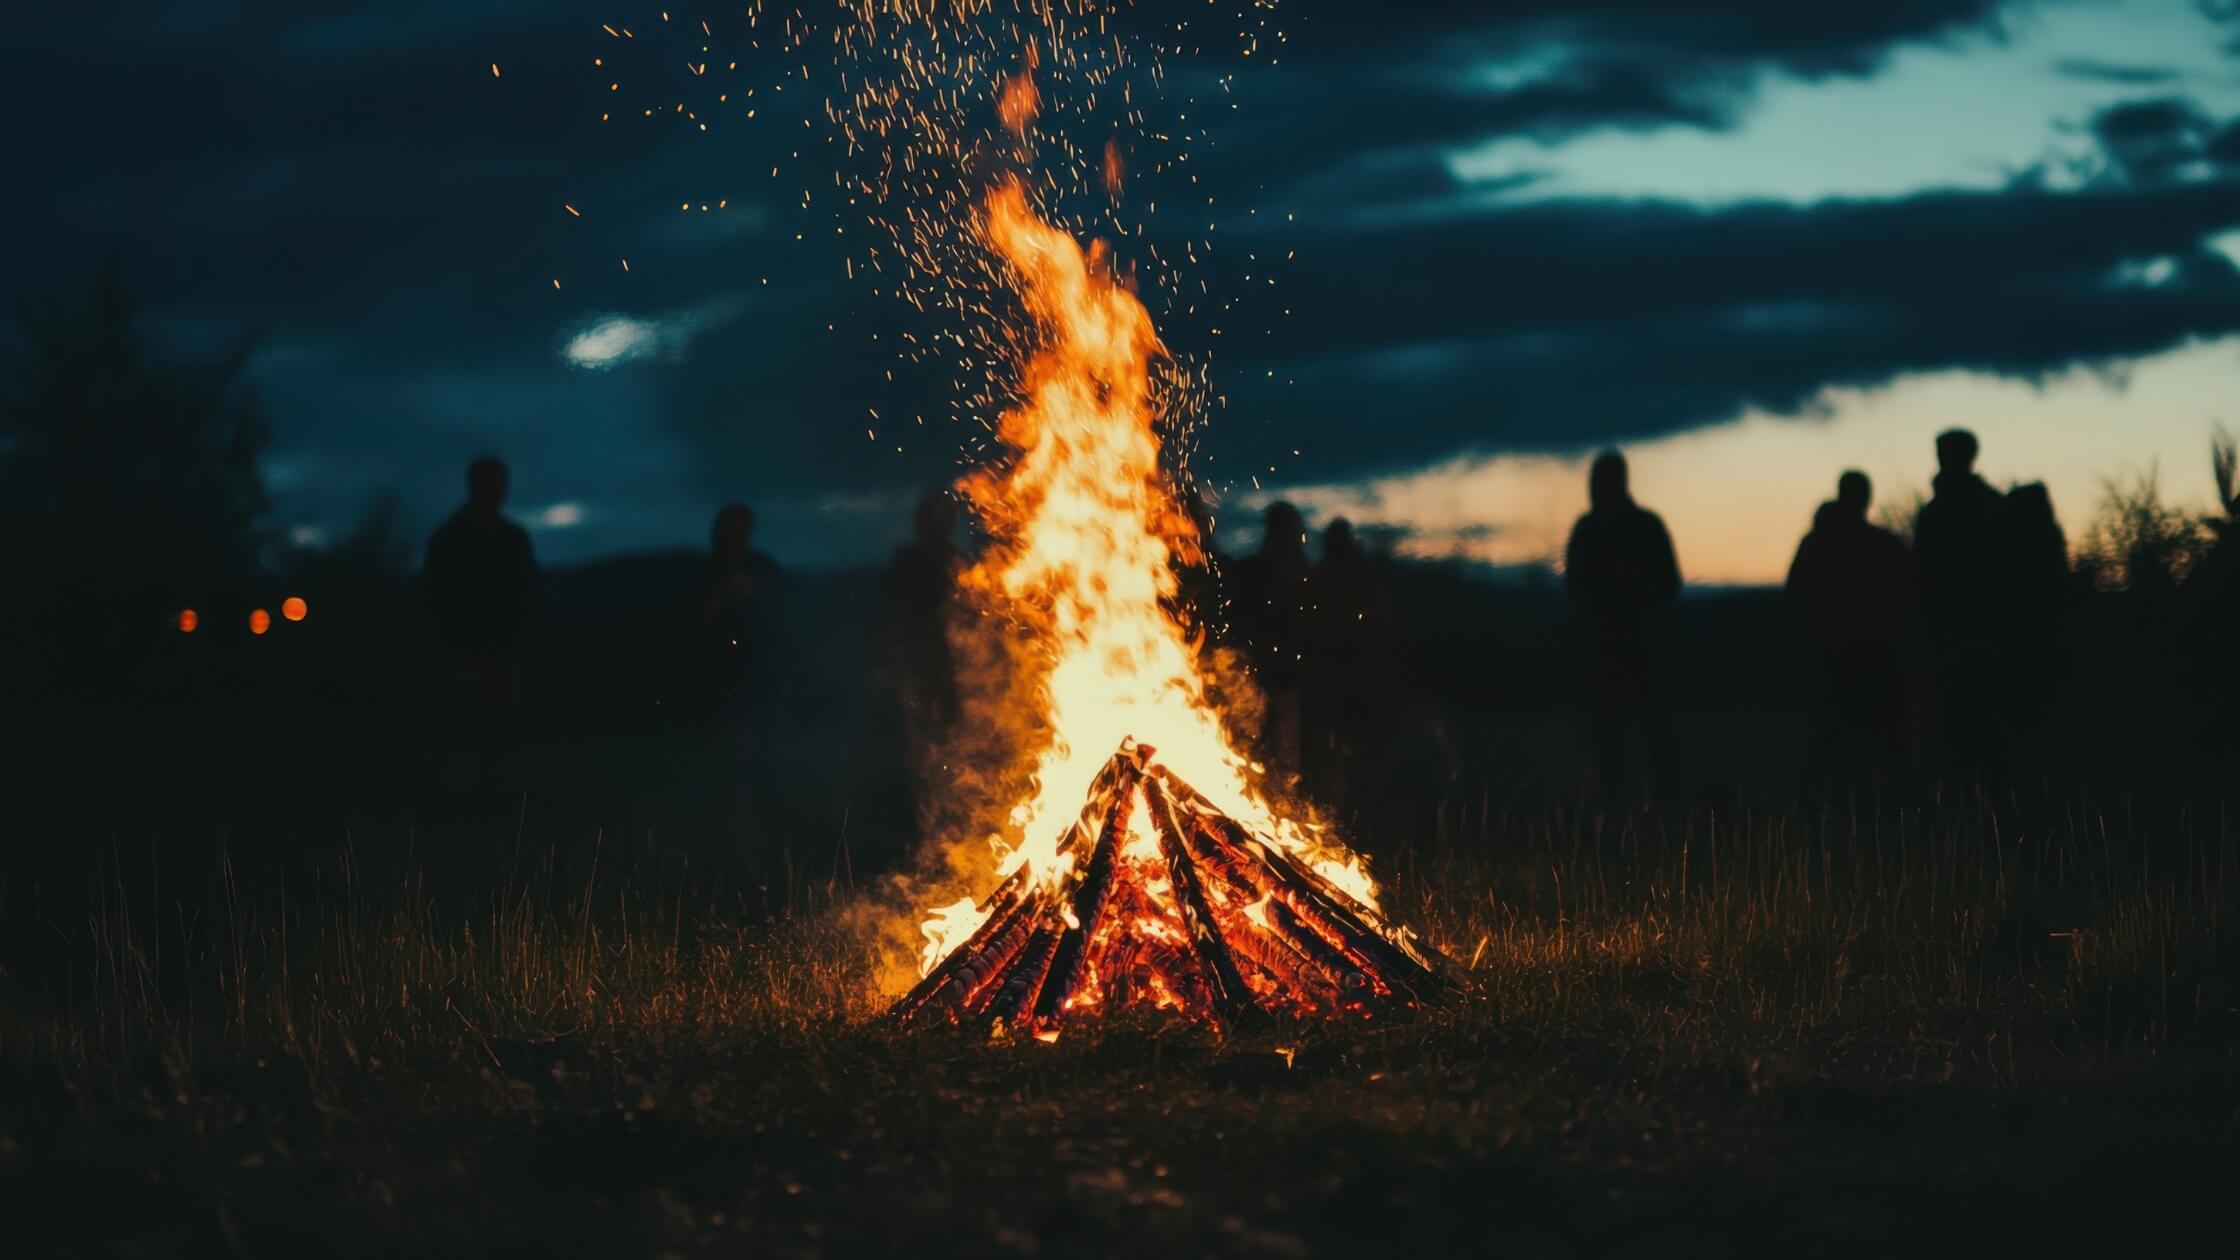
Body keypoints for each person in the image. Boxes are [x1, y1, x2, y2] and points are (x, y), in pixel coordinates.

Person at [423, 455, 538, 805]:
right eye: (490, 483)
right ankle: (465, 811)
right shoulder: (449, 540)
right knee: (466, 737)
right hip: (464, 653)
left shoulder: (512, 539)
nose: (496, 491)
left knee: (499, 737)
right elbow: (434, 598)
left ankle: (497, 809)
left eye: (499, 483)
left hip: (501, 653)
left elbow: (527, 595)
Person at [1564, 450, 1681, 794]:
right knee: (1624, 726)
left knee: (1637, 725)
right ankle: (1634, 800)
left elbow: (1666, 581)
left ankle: (1644, 799)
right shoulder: (1639, 526)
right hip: (1621, 642)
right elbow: (1668, 580)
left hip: (1627, 641)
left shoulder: (1597, 529)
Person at [1785, 471, 1913, 780]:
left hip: (1834, 648)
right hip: (1872, 649)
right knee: (1874, 728)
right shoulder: (1882, 543)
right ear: (1866, 498)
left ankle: (1834, 798)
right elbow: (1906, 591)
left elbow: (1795, 591)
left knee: (1833, 730)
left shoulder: (1818, 541)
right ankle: (1877, 799)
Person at [1912, 429, 2014, 782]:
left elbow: (1922, 576)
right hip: (1990, 633)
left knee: (1955, 727)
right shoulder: (1994, 506)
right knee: (1985, 725)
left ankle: (1960, 807)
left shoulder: (1935, 514)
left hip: (1953, 635)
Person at [685, 503, 785, 842]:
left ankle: (761, 844)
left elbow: (778, 621)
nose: (734, 537)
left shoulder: (762, 570)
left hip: (756, 685)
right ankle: (721, 847)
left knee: (758, 770)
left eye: (740, 529)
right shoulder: (705, 572)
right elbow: (690, 626)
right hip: (715, 688)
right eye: (729, 529)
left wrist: (752, 596)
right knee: (721, 772)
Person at [1307, 518, 1391, 812]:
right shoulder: (1333, 574)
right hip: (1340, 672)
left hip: (1351, 671)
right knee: (1339, 747)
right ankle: (1344, 808)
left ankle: (1353, 808)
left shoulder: (1347, 575)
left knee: (1345, 746)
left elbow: (1378, 616)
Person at [1228, 501, 1314, 783]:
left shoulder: (1299, 572)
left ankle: (1281, 800)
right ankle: (1259, 791)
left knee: (1284, 750)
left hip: (1286, 674)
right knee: (1257, 743)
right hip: (1262, 670)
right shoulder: (1261, 570)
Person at [886, 490, 962, 739]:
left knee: (952, 728)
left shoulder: (959, 564)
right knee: (922, 727)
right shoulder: (910, 563)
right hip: (920, 657)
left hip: (953, 661)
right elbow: (895, 613)